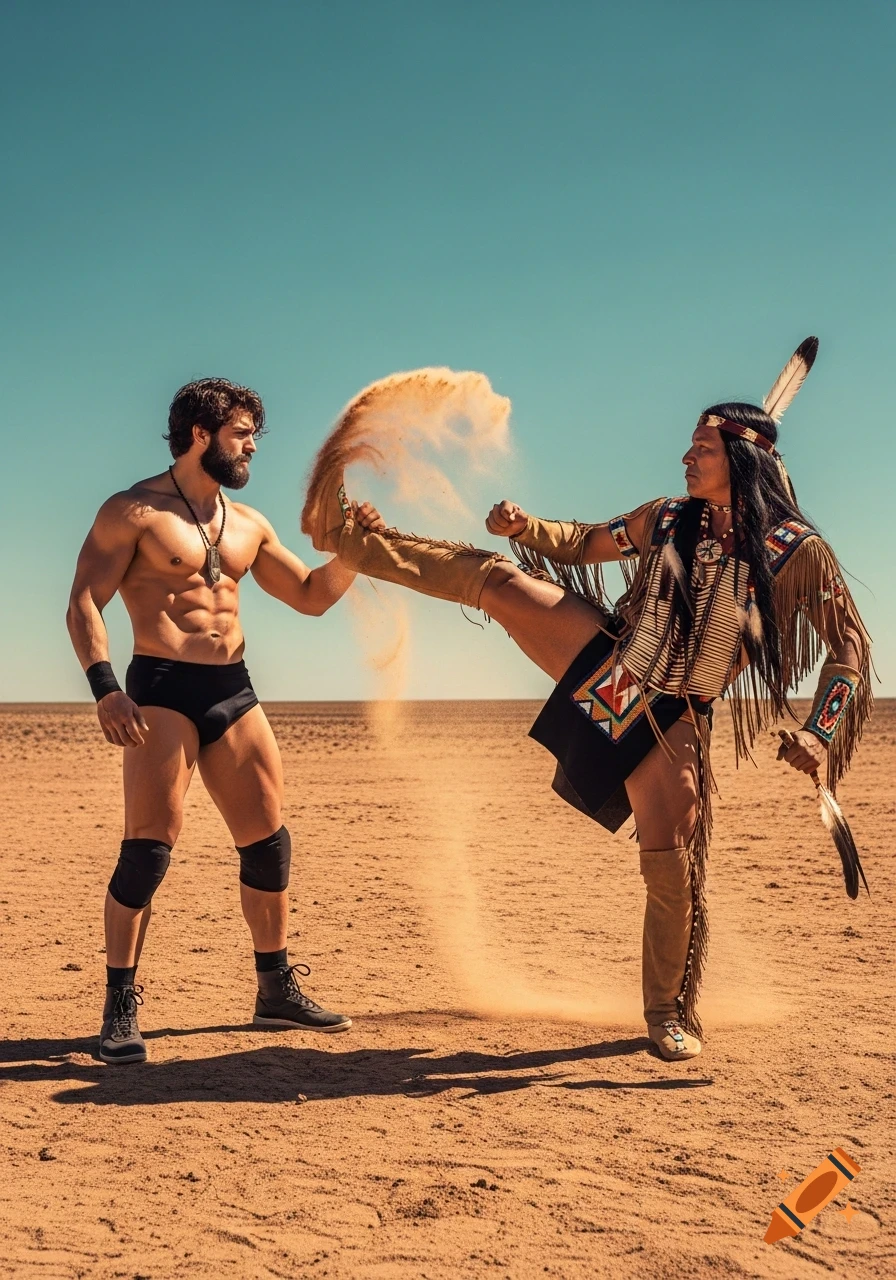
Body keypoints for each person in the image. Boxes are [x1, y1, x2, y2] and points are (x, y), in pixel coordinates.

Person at [300, 339, 871, 1061]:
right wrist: (524, 528)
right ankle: (348, 538)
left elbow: (848, 642)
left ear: (743, 460)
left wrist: (821, 733)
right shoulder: (669, 517)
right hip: (615, 668)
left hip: (677, 719)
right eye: (689, 447)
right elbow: (585, 542)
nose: (686, 459)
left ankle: (667, 1013)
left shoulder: (794, 549)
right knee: (504, 584)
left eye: (701, 449)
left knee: (671, 864)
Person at [66, 378, 385, 1064]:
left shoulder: (248, 524)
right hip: (161, 690)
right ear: (200, 435)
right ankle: (119, 1004)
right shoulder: (133, 511)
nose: (251, 447)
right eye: (242, 434)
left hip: (233, 689)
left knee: (268, 842)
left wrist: (355, 554)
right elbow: (83, 605)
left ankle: (274, 989)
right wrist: (105, 690)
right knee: (149, 852)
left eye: (254, 436)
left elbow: (307, 596)